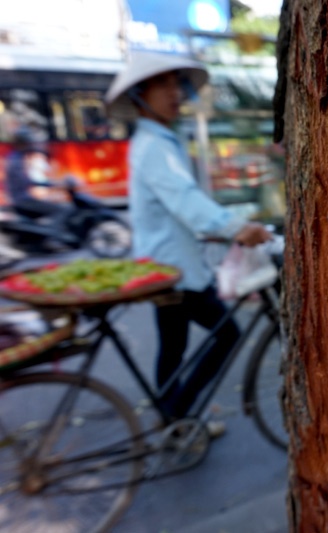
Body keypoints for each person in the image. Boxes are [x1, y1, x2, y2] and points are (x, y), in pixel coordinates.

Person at [104, 53, 271, 434]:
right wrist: (233, 226)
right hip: (172, 270)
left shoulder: (159, 141)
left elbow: (174, 207)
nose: (174, 93)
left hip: (168, 265)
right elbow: (184, 199)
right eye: (163, 85)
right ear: (140, 96)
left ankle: (174, 418)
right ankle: (179, 412)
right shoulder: (154, 147)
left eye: (176, 83)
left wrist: (217, 228)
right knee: (225, 334)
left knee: (174, 345)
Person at [4, 129, 68, 221]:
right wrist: (51, 184)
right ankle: (55, 234)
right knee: (61, 210)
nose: (30, 145)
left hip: (23, 199)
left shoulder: (19, 157)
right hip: (22, 201)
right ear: (22, 143)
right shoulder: (16, 160)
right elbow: (25, 181)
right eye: (28, 143)